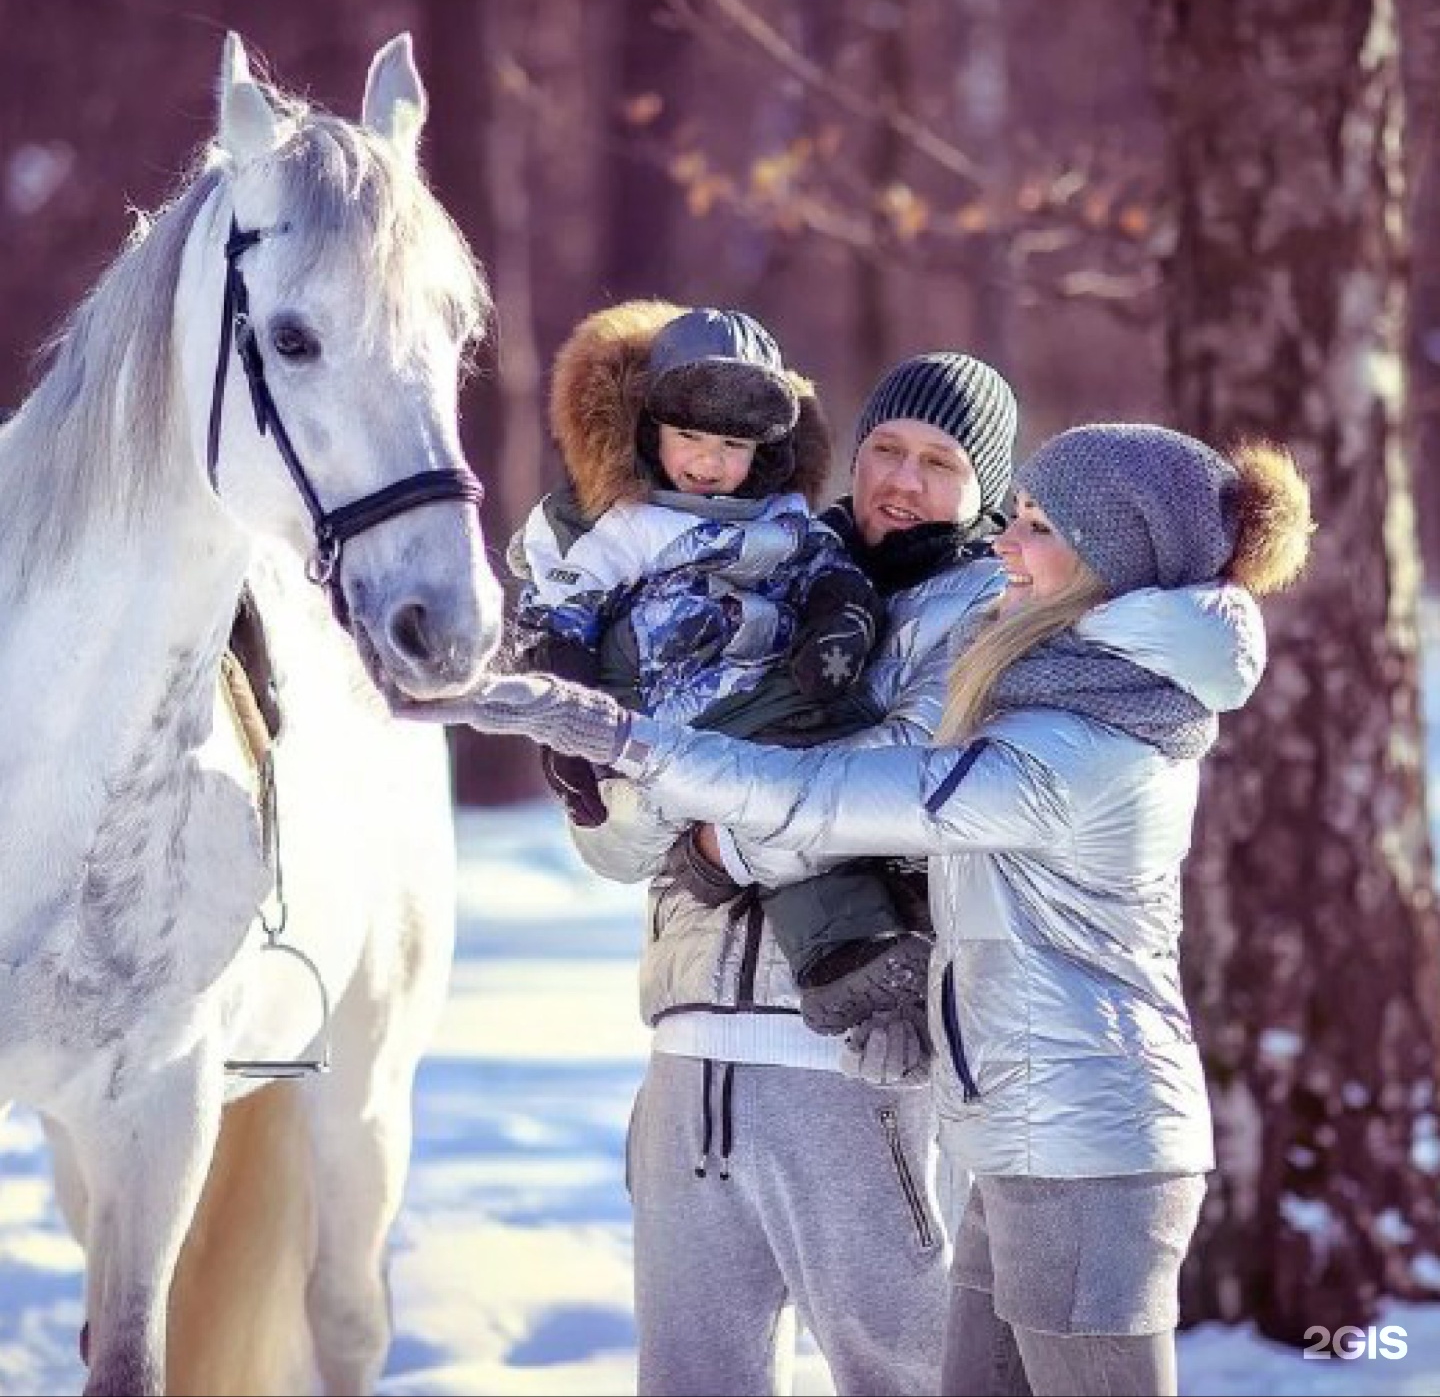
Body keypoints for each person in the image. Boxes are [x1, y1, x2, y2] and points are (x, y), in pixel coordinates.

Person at [409, 421, 1314, 1397]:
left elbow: (832, 798)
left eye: (1039, 527)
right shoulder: (1052, 699)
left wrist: (620, 734)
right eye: (1016, 518)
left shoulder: (1076, 744)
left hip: (1088, 1149)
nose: (1008, 542)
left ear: (1110, 560)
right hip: (1022, 1130)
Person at [520, 347, 1020, 1396]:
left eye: (940, 461)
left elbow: (899, 780)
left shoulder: (988, 614)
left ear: (987, 485)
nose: (902, 480)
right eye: (887, 447)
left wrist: (716, 838)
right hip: (688, 1058)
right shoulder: (752, 559)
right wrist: (610, 775)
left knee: (911, 1375)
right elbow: (618, 848)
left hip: (851, 1068)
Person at [512, 302, 963, 1036]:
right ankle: (844, 950)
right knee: (784, 801)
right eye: (688, 436)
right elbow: (559, 611)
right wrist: (565, 717)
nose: (708, 462)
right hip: (676, 707)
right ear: (648, 429)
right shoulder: (616, 521)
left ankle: (841, 958)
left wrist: (840, 621)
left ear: (769, 449)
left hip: (780, 697)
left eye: (732, 444)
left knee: (800, 800)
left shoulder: (783, 519)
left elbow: (825, 570)